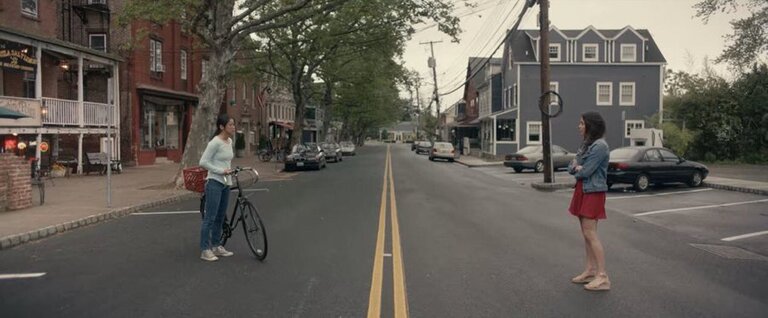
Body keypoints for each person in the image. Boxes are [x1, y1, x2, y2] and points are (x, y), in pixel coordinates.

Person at [567, 111, 611, 291]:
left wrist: (578, 167)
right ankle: (590, 270)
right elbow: (572, 165)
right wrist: (577, 167)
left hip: (593, 191)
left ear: (591, 126)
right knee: (586, 234)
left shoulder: (600, 146)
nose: (579, 126)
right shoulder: (586, 144)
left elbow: (585, 171)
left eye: (582, 124)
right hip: (583, 189)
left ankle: (603, 277)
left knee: (590, 233)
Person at [199, 114, 236, 261]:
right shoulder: (215, 142)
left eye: (234, 124)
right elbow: (203, 162)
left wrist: (229, 172)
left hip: (226, 183)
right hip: (214, 182)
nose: (233, 127)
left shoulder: (229, 141)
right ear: (222, 127)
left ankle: (216, 245)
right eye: (230, 125)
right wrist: (221, 171)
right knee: (210, 218)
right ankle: (205, 249)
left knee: (220, 217)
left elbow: (226, 161)